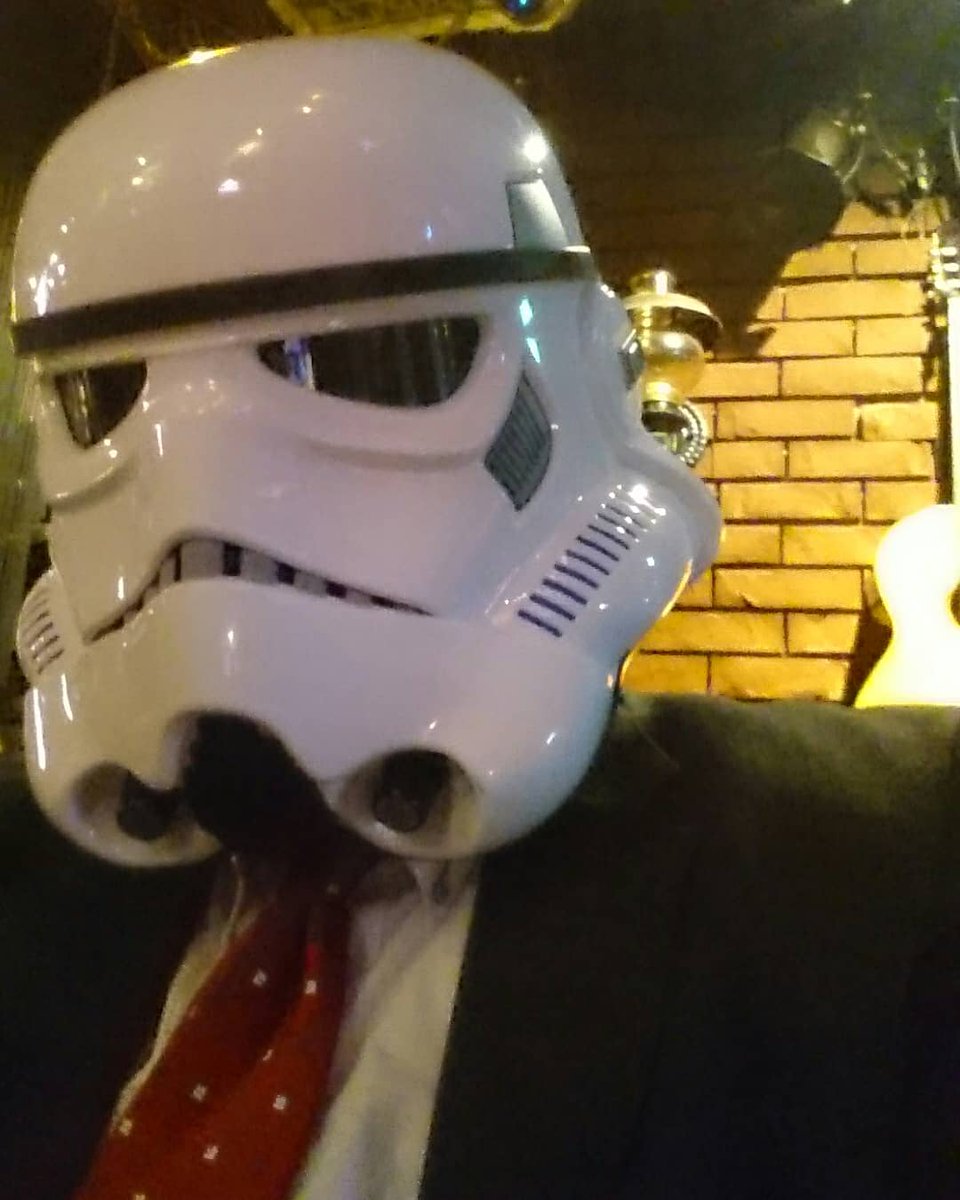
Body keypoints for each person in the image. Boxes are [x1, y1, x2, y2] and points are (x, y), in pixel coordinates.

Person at [1, 34, 959, 1200]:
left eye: (369, 363)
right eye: (105, 395)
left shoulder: (891, 870)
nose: (208, 508)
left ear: (589, 386)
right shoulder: (28, 889)